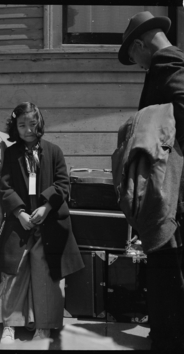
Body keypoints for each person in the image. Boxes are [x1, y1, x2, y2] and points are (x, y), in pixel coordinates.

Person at [118, 11, 184, 350]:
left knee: (167, 267)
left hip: (173, 192)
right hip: (174, 191)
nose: (141, 66)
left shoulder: (167, 63)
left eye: (136, 59)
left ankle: (168, 340)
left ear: (142, 45)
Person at [0, 102, 84, 344]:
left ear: (40, 124)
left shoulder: (54, 151)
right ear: (15, 127)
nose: (27, 129)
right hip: (21, 223)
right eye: (22, 125)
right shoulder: (11, 154)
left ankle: (44, 326)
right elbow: (5, 187)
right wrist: (20, 214)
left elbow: (63, 184)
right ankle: (10, 324)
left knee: (46, 272)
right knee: (14, 271)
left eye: (32, 124)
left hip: (49, 222)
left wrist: (46, 207)